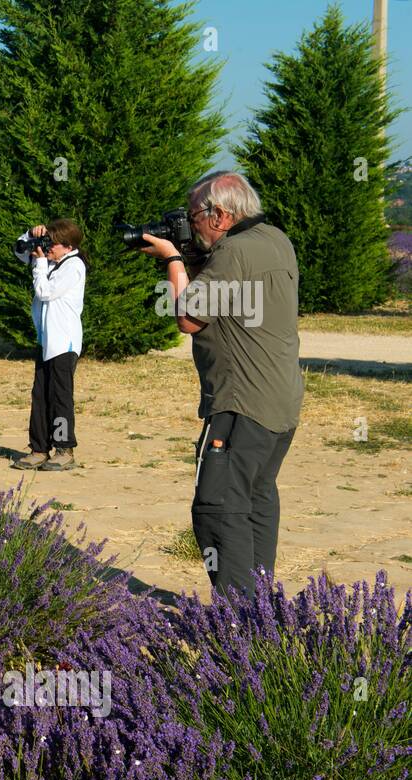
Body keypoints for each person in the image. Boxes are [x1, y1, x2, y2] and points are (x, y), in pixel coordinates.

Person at [139, 171, 303, 598]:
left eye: (194, 217)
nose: (191, 224)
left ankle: (237, 617)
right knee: (256, 500)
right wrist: (195, 255)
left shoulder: (233, 253)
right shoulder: (273, 240)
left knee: (218, 505)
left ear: (220, 215)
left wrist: (174, 260)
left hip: (239, 403)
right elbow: (230, 290)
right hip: (279, 403)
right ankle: (260, 607)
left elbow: (189, 317)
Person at [12, 219, 87, 471]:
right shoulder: (51, 261)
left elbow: (45, 291)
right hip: (46, 341)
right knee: (40, 396)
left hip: (64, 344)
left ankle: (65, 449)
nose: (47, 248)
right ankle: (39, 448)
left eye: (51, 244)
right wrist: (30, 234)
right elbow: (19, 250)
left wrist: (41, 262)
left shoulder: (74, 266)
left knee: (60, 398)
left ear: (67, 245)